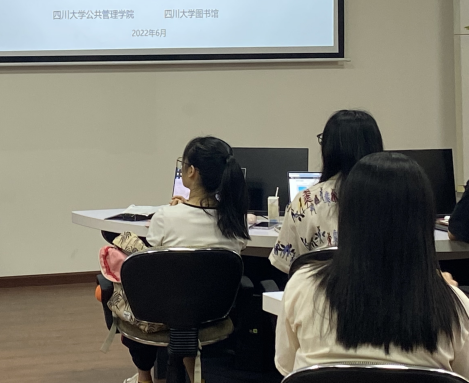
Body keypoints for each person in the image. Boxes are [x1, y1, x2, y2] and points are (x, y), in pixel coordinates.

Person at [275, 152, 469, 376]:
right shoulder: (455, 308)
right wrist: (444, 289)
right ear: (423, 220)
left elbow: (286, 368)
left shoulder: (302, 287)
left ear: (347, 215)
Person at [121, 136, 250, 383]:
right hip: (213, 311)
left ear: (191, 171)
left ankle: (144, 376)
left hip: (164, 311)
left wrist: (177, 210)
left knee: (133, 288)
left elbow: (154, 257)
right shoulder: (235, 221)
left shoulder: (165, 217)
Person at [269, 109, 383, 274]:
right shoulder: (394, 197)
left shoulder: (305, 201)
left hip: (319, 290)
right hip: (384, 290)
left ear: (330, 150)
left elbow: (286, 265)